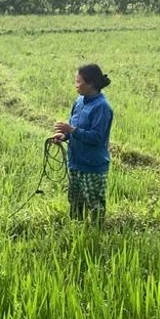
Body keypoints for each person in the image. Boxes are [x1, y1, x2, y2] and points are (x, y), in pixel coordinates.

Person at [52, 64, 114, 227]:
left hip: (92, 166)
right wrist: (64, 135)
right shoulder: (79, 102)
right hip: (75, 163)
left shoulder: (102, 107)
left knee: (95, 206)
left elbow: (98, 138)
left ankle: (96, 235)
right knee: (74, 202)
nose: (76, 85)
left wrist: (71, 130)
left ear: (91, 84)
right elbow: (74, 129)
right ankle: (76, 231)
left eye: (78, 81)